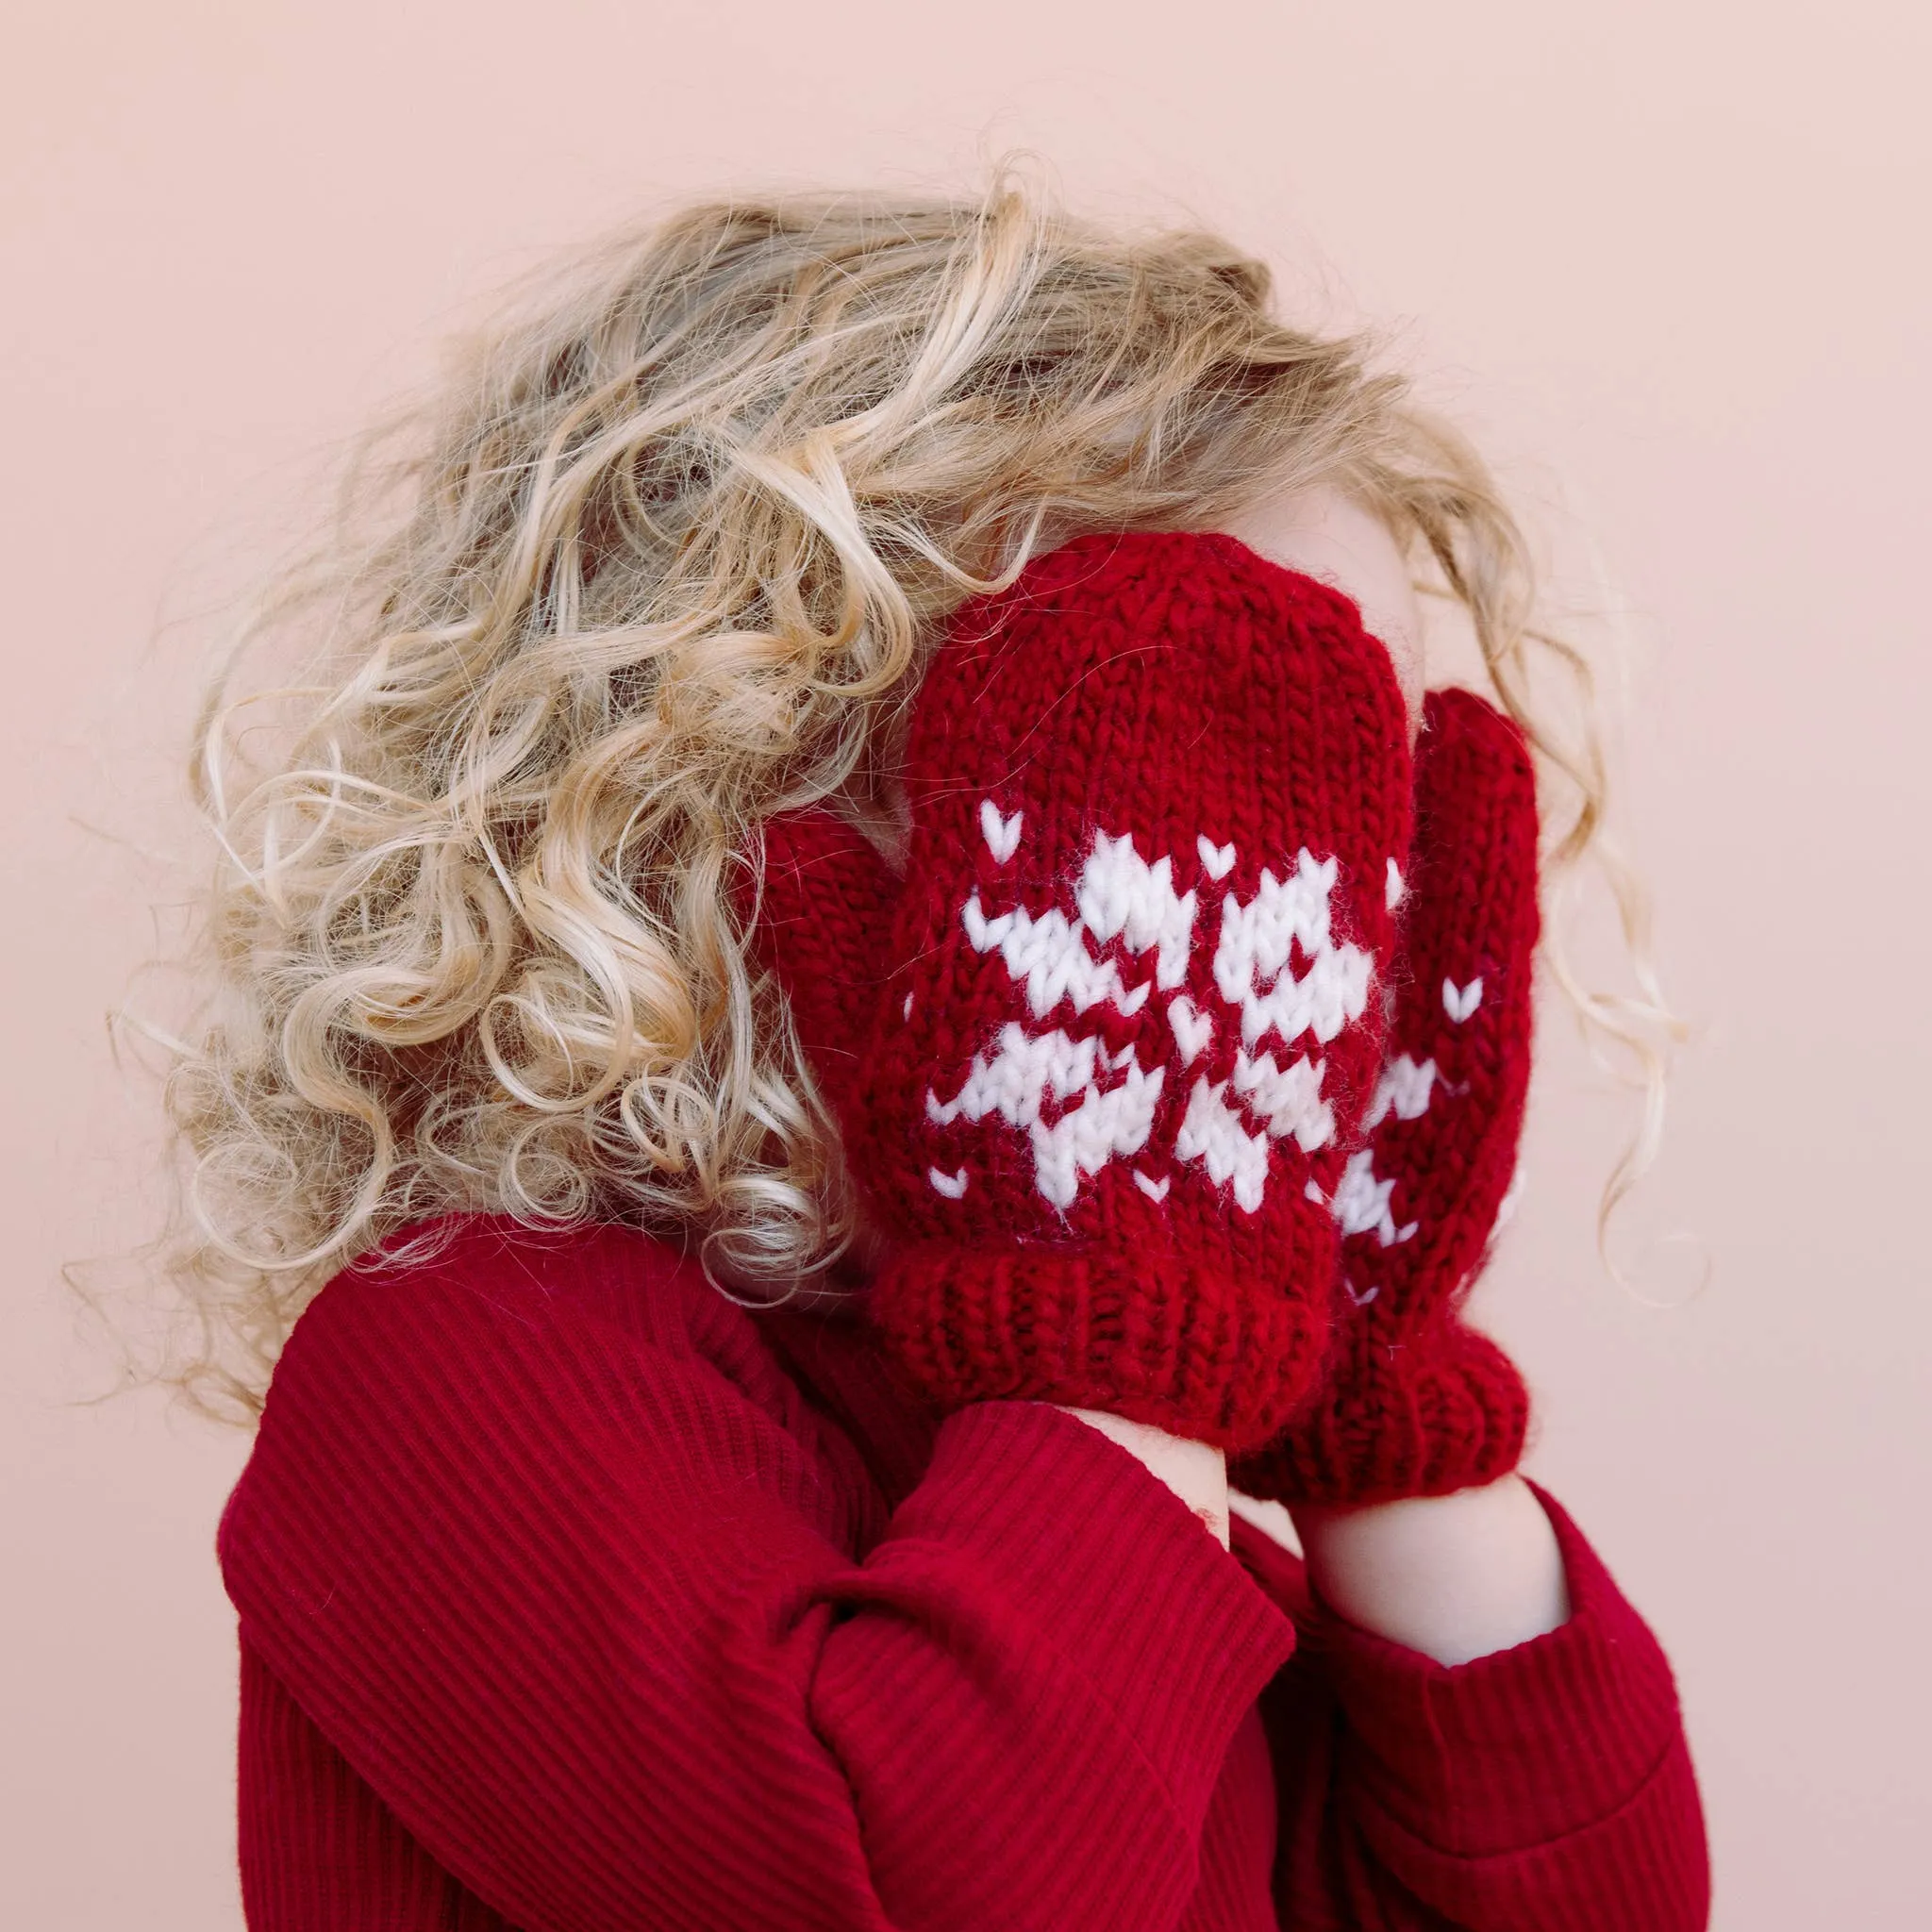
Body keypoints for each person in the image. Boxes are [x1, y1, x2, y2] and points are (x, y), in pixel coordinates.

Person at [175, 175, 1708, 1928]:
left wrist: (1365, 1380)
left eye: (1343, 801)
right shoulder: (458, 1362)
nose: (1274, 932)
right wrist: (1135, 1305)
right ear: (727, 805)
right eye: (1169, 779)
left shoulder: (1103, 1448)